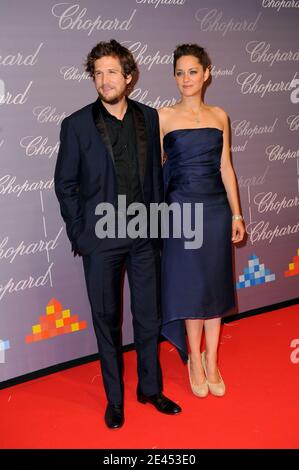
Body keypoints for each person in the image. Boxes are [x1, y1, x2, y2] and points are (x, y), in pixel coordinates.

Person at [54, 39, 181, 429]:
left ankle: (150, 388)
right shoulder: (76, 125)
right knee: (106, 319)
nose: (104, 79)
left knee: (148, 316)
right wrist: (82, 236)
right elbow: (66, 185)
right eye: (98, 73)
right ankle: (115, 398)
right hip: (101, 240)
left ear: (129, 77)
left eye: (112, 72)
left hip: (144, 235)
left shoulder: (149, 117)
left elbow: (157, 178)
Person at [158, 44, 245, 398]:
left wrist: (237, 213)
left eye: (192, 71)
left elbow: (226, 166)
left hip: (215, 211)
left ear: (207, 73)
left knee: (214, 284)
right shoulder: (162, 116)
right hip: (181, 213)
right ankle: (194, 358)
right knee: (191, 287)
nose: (186, 79)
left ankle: (212, 360)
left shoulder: (220, 115)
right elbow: (155, 170)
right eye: (179, 72)